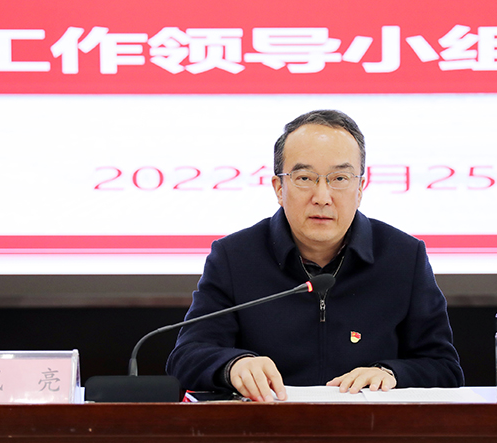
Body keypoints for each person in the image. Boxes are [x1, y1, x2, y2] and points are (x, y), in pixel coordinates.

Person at [166, 109, 464, 402]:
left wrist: (391, 373)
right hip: (267, 425)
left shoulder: (403, 257)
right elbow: (186, 357)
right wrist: (233, 365)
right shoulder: (235, 257)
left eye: (340, 178)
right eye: (305, 178)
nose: (322, 197)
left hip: (369, 426)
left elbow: (445, 369)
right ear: (279, 188)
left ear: (360, 188)